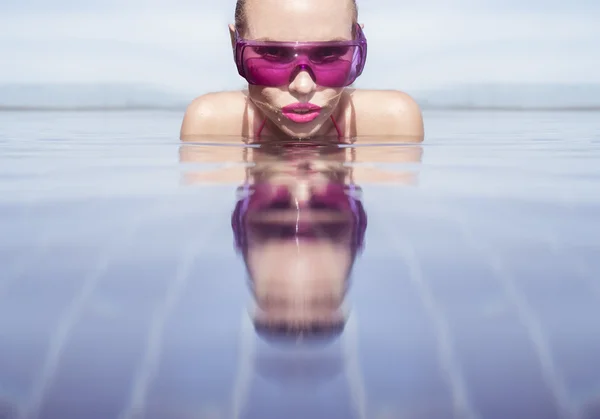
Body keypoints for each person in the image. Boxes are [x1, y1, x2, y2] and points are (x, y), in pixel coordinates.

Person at [180, 0, 424, 142]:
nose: (303, 86)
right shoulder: (209, 124)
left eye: (329, 54)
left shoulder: (394, 121)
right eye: (273, 55)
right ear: (235, 45)